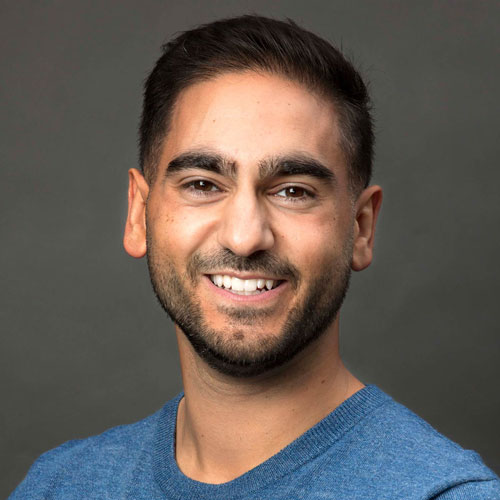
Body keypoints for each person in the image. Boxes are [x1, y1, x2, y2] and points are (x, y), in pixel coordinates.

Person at [9, 14, 500, 500]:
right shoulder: (59, 486)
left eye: (293, 191)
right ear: (139, 213)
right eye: (203, 184)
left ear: (361, 227)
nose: (245, 238)